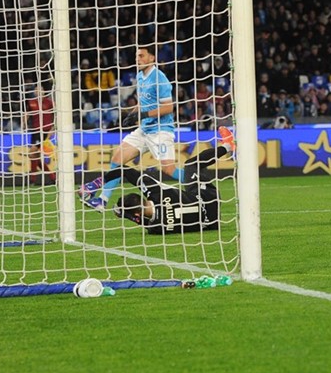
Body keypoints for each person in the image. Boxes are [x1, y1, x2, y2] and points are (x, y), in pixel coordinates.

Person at [80, 42, 181, 210]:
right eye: (136, 56)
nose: (137, 59)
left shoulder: (159, 78)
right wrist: (130, 115)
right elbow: (143, 103)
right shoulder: (140, 77)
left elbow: (168, 107)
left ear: (152, 58)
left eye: (141, 56)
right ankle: (102, 201)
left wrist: (143, 115)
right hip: (144, 129)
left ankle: (197, 181)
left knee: (169, 170)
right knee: (117, 158)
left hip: (160, 131)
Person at [108, 128, 236, 234]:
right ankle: (227, 146)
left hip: (212, 223)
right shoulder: (157, 193)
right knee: (191, 165)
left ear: (136, 214)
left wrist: (127, 215)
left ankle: (228, 146)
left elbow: (144, 223)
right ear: (142, 198)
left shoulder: (157, 227)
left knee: (189, 191)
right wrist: (100, 182)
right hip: (209, 197)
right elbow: (127, 171)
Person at [25, 83, 55, 185]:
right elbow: (27, 113)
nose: (38, 91)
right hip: (35, 131)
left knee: (32, 153)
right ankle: (52, 177)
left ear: (44, 91)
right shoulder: (31, 102)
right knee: (35, 155)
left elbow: (55, 116)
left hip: (45, 131)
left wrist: (52, 129)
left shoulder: (49, 103)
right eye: (36, 90)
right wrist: (24, 122)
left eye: (40, 89)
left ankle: (32, 179)